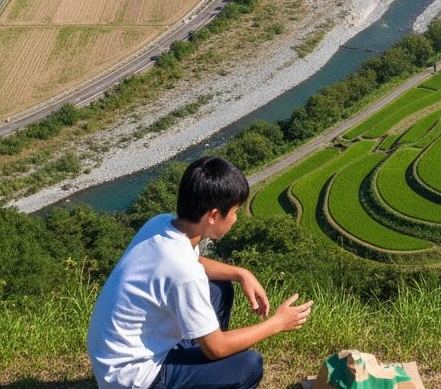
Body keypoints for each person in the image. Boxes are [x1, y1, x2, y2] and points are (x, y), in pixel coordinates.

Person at [87, 157, 313, 389]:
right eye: (234, 211)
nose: (236, 219)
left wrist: (240, 273)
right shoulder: (183, 272)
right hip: (134, 378)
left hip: (116, 356)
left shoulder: (161, 224)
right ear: (213, 215)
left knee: (220, 286)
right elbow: (218, 348)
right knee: (249, 365)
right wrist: (277, 322)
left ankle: (199, 363)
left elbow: (192, 262)